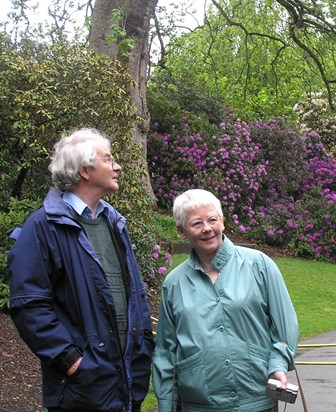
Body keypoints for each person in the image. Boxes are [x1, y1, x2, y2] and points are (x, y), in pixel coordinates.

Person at [8, 128, 154, 412]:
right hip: (82, 390)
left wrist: (143, 346)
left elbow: (134, 295)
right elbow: (29, 305)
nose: (117, 166)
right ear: (85, 170)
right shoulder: (43, 226)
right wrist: (72, 362)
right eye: (108, 159)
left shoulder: (114, 223)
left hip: (127, 380)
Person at [152, 188, 299, 412]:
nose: (207, 228)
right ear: (182, 231)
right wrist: (165, 405)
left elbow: (285, 326)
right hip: (198, 404)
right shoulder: (174, 284)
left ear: (223, 221)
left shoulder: (259, 265)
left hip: (256, 400)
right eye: (196, 223)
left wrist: (277, 364)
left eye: (212, 219)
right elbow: (165, 352)